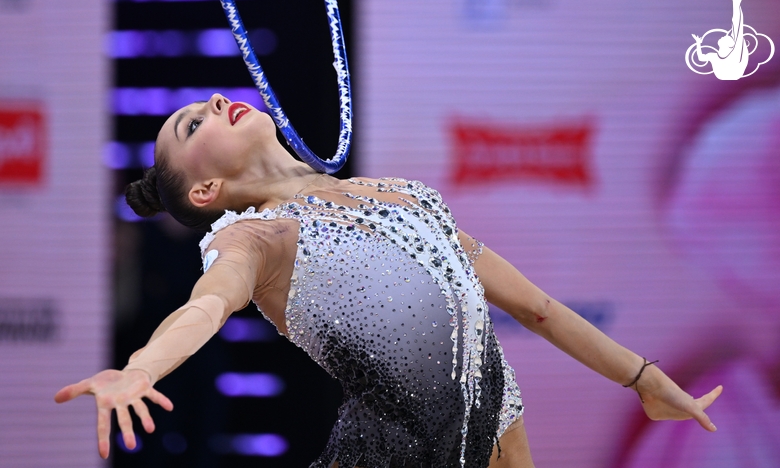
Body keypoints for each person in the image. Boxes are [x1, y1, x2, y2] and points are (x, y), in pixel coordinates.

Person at [55, 94, 722, 467]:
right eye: (192, 124)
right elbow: (205, 308)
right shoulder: (256, 237)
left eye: (206, 101)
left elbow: (539, 307)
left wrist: (646, 381)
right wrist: (140, 367)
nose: (215, 102)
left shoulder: (405, 197)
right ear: (205, 190)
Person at [692, 0, 748, 80]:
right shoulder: (714, 56)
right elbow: (701, 58)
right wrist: (698, 43)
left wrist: (736, 1)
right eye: (728, 36)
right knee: (737, 27)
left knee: (737, 26)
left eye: (727, 37)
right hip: (728, 74)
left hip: (733, 73)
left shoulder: (734, 53)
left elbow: (737, 25)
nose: (725, 35)